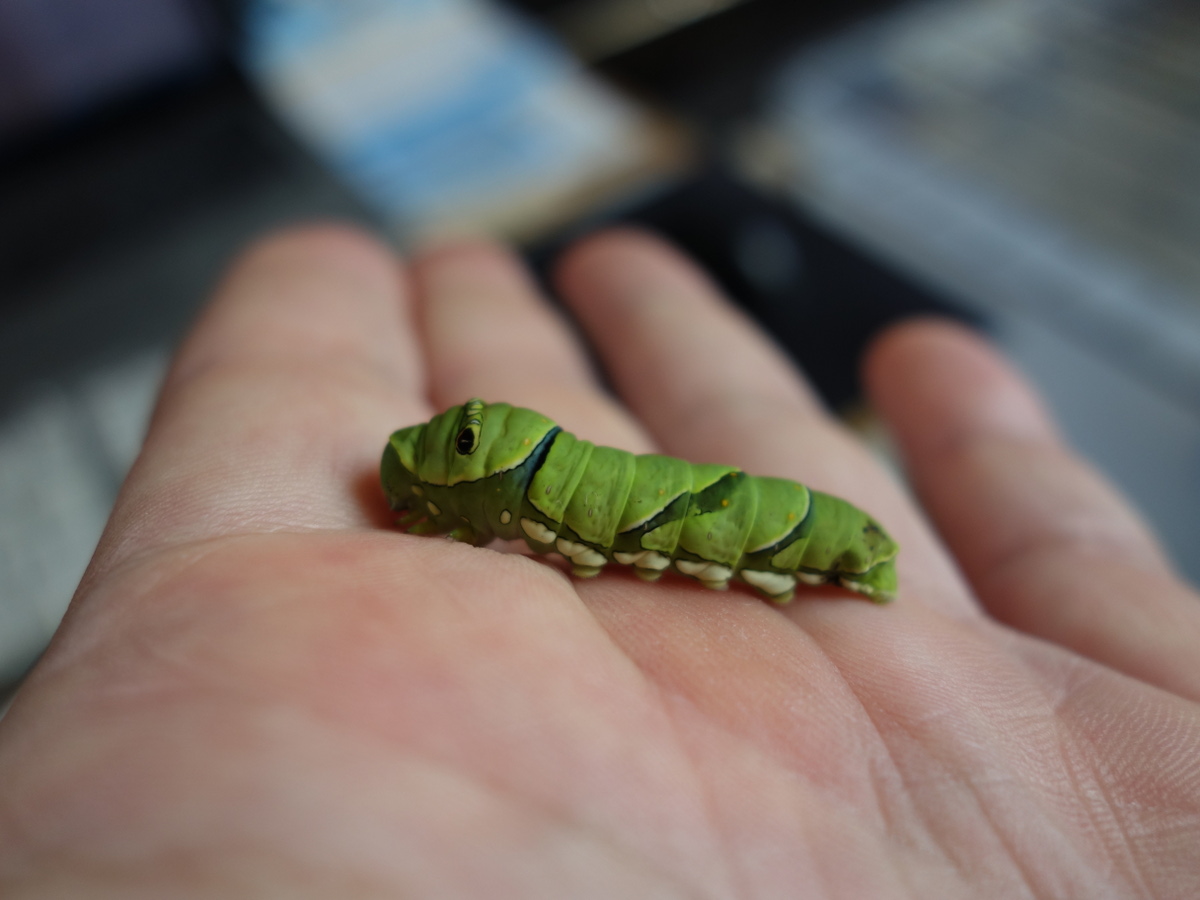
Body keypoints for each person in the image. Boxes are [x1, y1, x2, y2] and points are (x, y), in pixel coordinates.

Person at [1, 225, 1197, 897]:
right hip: (737, 515)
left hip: (795, 530)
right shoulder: (503, 487)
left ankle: (838, 546)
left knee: (724, 512)